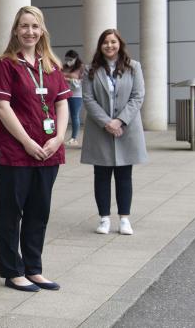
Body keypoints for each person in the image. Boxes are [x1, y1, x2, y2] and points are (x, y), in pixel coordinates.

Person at [0, 5, 70, 293]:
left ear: (42, 30)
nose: (29, 31)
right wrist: (27, 142)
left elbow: (62, 103)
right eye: (24, 26)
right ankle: (13, 271)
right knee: (12, 212)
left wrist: (59, 137)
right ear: (15, 30)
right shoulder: (6, 64)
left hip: (48, 151)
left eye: (34, 26)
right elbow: (2, 106)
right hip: (14, 153)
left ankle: (34, 268)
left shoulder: (51, 65)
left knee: (39, 211)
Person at [80, 29, 147, 236]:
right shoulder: (90, 70)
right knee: (101, 175)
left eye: (113, 42)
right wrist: (107, 122)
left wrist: (119, 121)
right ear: (100, 46)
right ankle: (104, 218)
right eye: (105, 43)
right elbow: (88, 99)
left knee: (124, 176)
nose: (109, 46)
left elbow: (138, 96)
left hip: (126, 129)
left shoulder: (133, 67)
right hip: (100, 131)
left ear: (120, 44)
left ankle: (124, 219)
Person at [62, 50, 85, 146]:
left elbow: (82, 81)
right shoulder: (64, 67)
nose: (68, 61)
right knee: (61, 114)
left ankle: (74, 138)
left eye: (70, 59)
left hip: (76, 95)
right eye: (67, 59)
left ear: (75, 59)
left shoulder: (81, 67)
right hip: (63, 93)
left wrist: (69, 79)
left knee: (74, 115)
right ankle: (59, 136)